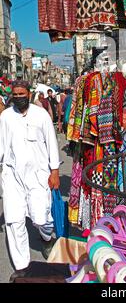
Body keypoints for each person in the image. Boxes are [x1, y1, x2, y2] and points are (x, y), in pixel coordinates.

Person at [0, 80, 60, 279]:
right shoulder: (6, 117)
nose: (18, 97)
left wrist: (55, 172)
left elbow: (51, 143)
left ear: (29, 93)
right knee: (14, 220)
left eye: (21, 94)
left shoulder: (40, 115)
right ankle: (21, 266)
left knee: (40, 217)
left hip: (38, 175)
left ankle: (46, 238)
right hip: (12, 176)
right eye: (15, 94)